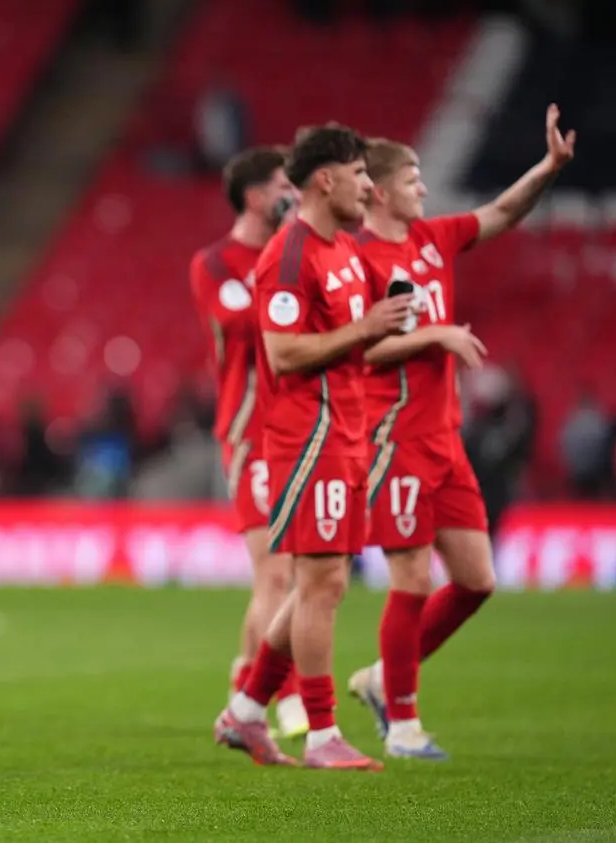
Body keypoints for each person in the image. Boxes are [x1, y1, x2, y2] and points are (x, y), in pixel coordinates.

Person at [347, 105, 576, 758]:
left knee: (477, 581)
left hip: (445, 440)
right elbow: (361, 350)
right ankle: (406, 723)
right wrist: (436, 334)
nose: (425, 187)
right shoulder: (358, 259)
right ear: (383, 189)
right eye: (414, 178)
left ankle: (379, 680)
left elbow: (502, 212)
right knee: (412, 580)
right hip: (392, 441)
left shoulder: (434, 239)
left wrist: (549, 167)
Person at [213, 122, 411, 770]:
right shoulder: (290, 253)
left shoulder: (347, 251)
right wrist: (365, 327)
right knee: (320, 583)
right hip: (308, 436)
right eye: (359, 174)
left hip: (348, 431)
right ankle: (322, 732)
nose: (368, 186)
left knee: (317, 584)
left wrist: (415, 336)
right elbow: (284, 351)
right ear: (325, 179)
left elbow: (359, 339)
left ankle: (244, 713)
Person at [189, 146, 308, 740]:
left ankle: (245, 680)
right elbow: (242, 321)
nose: (295, 193)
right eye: (286, 184)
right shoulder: (215, 263)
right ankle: (282, 696)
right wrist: (287, 265)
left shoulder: (293, 255)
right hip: (251, 432)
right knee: (278, 575)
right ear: (258, 196)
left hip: (302, 428)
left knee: (288, 575)